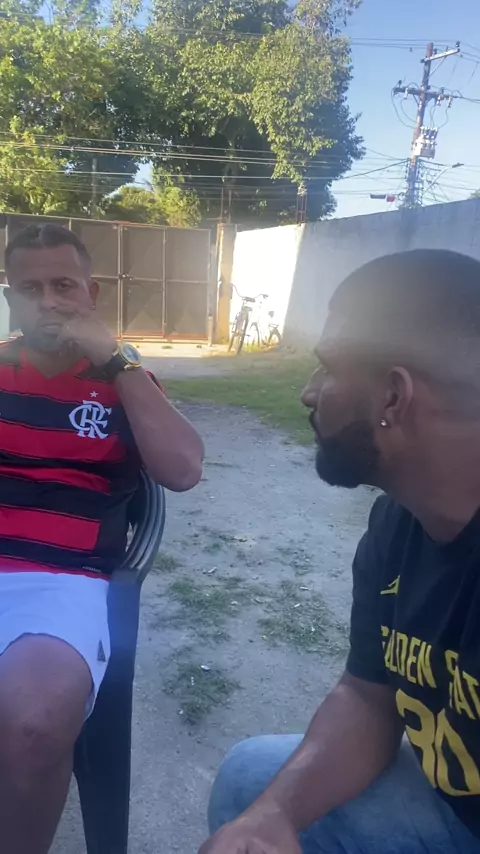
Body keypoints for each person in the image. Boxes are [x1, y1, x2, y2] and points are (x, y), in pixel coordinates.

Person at [199, 249, 480, 854]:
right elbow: (368, 697)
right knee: (252, 781)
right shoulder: (398, 522)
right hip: (455, 808)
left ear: (393, 398)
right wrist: (275, 815)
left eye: (326, 369)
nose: (308, 393)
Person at [0, 223, 204, 854]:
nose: (49, 302)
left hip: (61, 584)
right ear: (9, 298)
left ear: (91, 294)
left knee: (35, 724)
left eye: (64, 285)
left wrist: (118, 361)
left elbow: (183, 470)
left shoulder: (123, 377)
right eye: (30, 289)